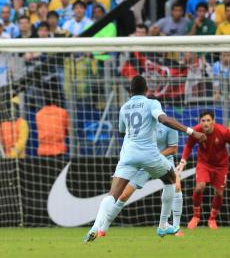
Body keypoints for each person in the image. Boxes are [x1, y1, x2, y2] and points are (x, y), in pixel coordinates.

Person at [84, 75, 206, 242]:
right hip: (148, 153)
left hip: (128, 155)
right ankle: (163, 225)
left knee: (113, 194)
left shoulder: (124, 107)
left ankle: (96, 226)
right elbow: (164, 119)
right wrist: (192, 132)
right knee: (171, 180)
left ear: (130, 91)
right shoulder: (151, 103)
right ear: (147, 89)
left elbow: (121, 131)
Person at [98, 103, 184, 237]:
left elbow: (173, 148)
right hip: (143, 164)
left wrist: (155, 158)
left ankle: (176, 227)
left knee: (176, 186)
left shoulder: (168, 126)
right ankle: (103, 228)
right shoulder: (144, 126)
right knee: (123, 195)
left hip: (165, 160)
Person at [176, 111, 230, 230]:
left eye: (208, 120)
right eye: (203, 121)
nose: (205, 123)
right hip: (203, 163)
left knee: (219, 193)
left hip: (221, 166)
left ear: (213, 122)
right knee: (200, 186)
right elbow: (189, 145)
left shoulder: (223, 131)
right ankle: (196, 216)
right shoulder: (196, 131)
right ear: (200, 122)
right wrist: (183, 161)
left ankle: (212, 219)